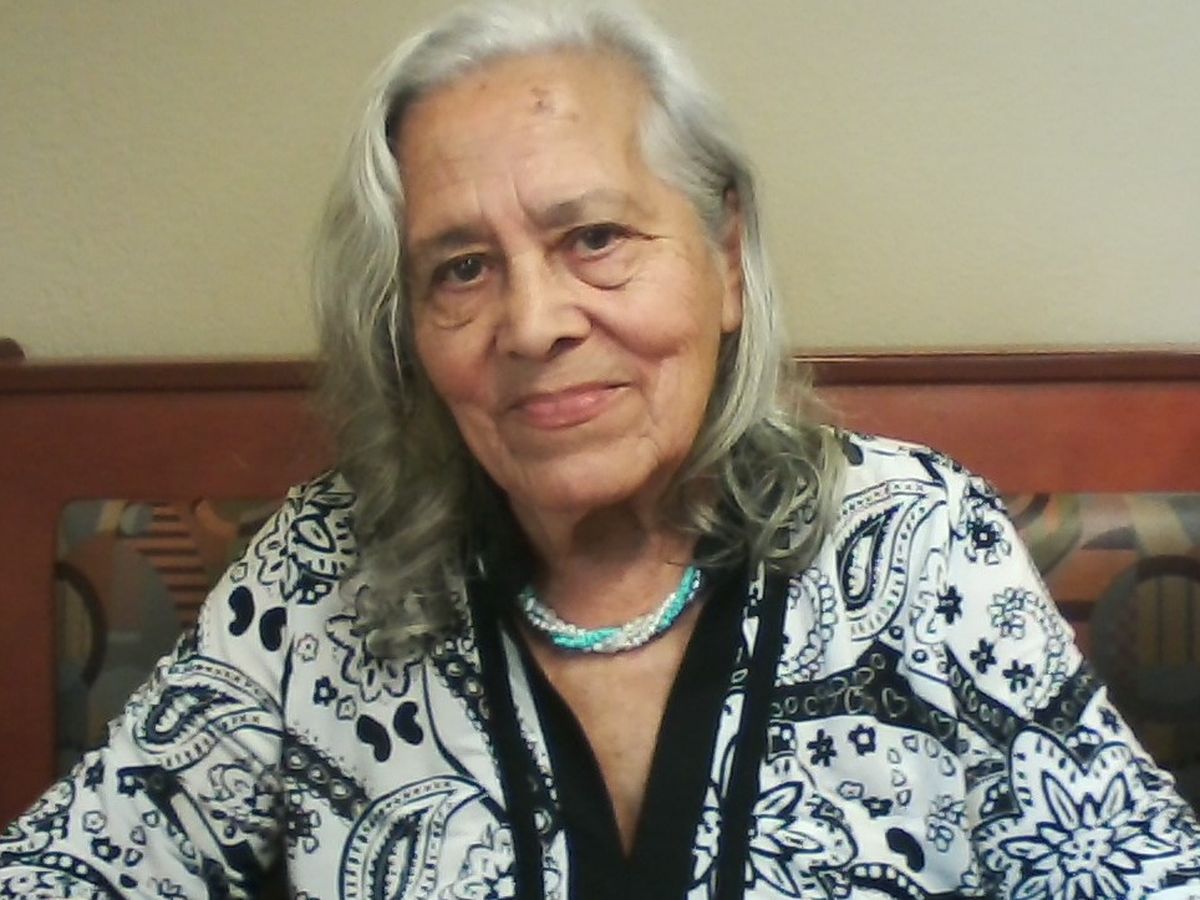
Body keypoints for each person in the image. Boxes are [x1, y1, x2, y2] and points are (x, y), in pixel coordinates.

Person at [3, 2, 1199, 898]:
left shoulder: (919, 544)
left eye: (595, 238)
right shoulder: (319, 576)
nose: (533, 325)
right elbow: (77, 866)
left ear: (725, 261)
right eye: (461, 268)